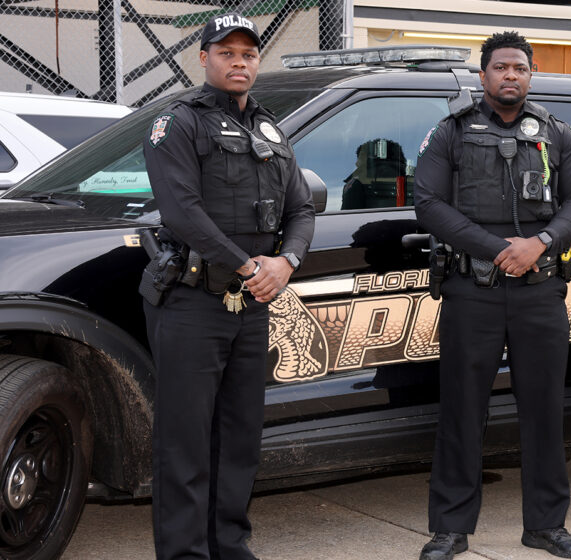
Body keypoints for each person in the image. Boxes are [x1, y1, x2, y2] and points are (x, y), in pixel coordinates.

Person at [414, 31, 571, 560]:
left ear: (530, 74)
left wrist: (539, 242)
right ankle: (450, 529)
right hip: (473, 289)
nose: (509, 75)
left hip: (540, 291)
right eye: (500, 67)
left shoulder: (558, 134)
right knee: (462, 410)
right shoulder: (450, 132)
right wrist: (498, 249)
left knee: (544, 410)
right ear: (483, 75)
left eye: (519, 67)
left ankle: (545, 525)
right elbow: (428, 203)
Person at [142, 12, 315, 559]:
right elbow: (183, 212)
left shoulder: (268, 127)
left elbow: (302, 207)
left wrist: (285, 262)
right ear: (204, 58)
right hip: (194, 300)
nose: (239, 62)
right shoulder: (179, 123)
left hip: (254, 304)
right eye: (226, 53)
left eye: (248, 54)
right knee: (185, 443)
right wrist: (249, 266)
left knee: (240, 439)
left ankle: (231, 547)